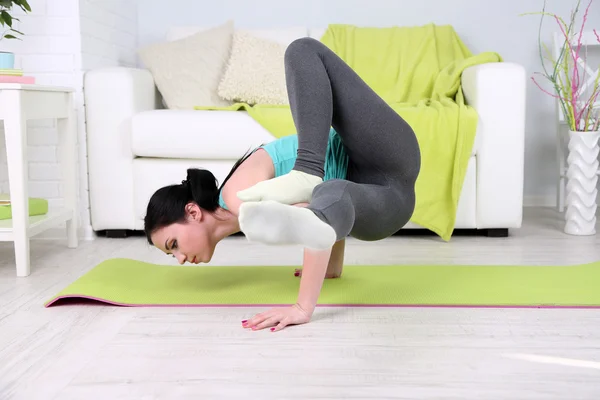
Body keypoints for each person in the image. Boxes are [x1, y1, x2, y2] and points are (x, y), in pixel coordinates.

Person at [144, 37, 421, 332]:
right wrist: (330, 266)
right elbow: (327, 211)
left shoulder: (236, 195)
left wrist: (302, 307)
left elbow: (315, 207)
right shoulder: (246, 214)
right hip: (381, 204)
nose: (181, 259)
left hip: (383, 155)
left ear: (192, 212)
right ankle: (309, 179)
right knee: (327, 195)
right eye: (172, 254)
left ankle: (306, 170)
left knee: (303, 51)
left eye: (174, 245)